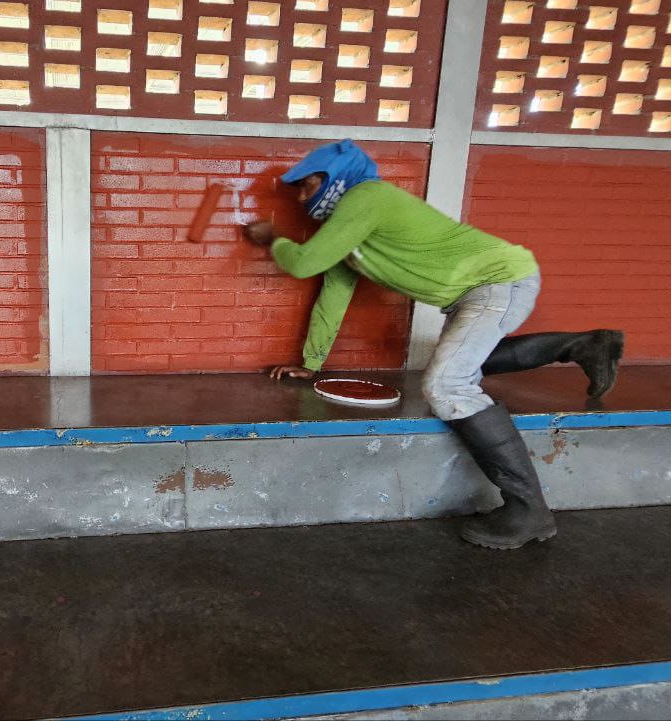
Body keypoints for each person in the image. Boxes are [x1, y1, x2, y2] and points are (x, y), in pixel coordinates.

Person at [243, 140, 624, 551]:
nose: (303, 198)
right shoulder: (346, 234)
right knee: (459, 366)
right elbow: (333, 295)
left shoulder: (366, 196)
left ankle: (529, 509)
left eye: (308, 185)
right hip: (476, 293)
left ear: (336, 179)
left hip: (497, 281)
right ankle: (584, 346)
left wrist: (273, 239)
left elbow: (302, 262)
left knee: (447, 385)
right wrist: (312, 362)